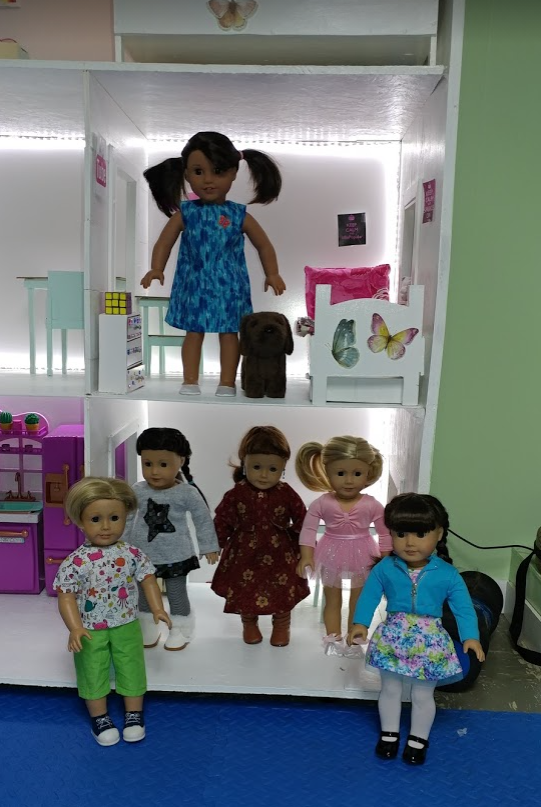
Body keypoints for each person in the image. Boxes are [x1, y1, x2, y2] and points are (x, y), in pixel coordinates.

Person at [141, 131, 286, 397]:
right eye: (199, 172)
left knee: (229, 334)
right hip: (193, 285)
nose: (208, 180)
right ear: (186, 174)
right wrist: (156, 268)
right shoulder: (186, 213)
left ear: (233, 172)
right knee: (193, 333)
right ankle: (190, 380)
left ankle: (227, 383)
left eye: (218, 171)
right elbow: (164, 242)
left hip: (230, 287)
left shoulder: (238, 214)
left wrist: (272, 273)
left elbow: (264, 245)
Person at [348, 493, 485, 765]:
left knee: (422, 694)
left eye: (421, 534)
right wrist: (360, 623)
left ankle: (418, 738)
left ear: (439, 534)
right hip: (393, 639)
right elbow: (369, 597)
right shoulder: (385, 568)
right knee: (390, 689)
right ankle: (389, 733)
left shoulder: (447, 574)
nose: (410, 543)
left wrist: (471, 636)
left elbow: (463, 608)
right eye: (401, 534)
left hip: (430, 642)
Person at [54, 477, 172, 747]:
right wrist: (74, 627)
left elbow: (148, 579)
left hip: (126, 623)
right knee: (92, 668)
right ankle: (100, 718)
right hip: (90, 628)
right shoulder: (75, 562)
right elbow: (66, 595)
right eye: (96, 519)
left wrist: (157, 608)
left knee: (131, 665)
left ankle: (134, 714)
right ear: (80, 521)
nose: (106, 526)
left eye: (115, 518)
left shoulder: (131, 554)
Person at [211, 426, 310, 647]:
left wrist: (303, 549)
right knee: (245, 590)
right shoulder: (236, 493)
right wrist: (215, 545)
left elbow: (304, 520)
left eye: (273, 469)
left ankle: (282, 625)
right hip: (244, 555)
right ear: (244, 464)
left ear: (283, 468)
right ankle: (249, 624)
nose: (264, 475)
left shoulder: (286, 493)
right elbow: (223, 520)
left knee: (283, 590)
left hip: (280, 555)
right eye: (257, 467)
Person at [295, 436, 391, 653]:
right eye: (340, 473)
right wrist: (307, 555)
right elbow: (308, 530)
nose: (349, 481)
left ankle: (354, 638)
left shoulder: (372, 504)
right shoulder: (321, 503)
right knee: (332, 600)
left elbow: (385, 533)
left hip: (364, 554)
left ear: (368, 473)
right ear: (327, 473)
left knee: (359, 600)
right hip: (330, 552)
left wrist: (386, 558)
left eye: (357, 474)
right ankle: (332, 638)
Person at [126, 427, 220, 651]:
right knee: (144, 594)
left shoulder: (186, 492)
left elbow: (202, 519)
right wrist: (121, 545)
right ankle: (148, 627)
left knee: (176, 594)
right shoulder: (137, 490)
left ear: (181, 461)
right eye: (147, 464)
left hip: (176, 555)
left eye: (163, 464)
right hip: (143, 555)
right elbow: (127, 518)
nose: (154, 471)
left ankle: (180, 629)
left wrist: (209, 546)